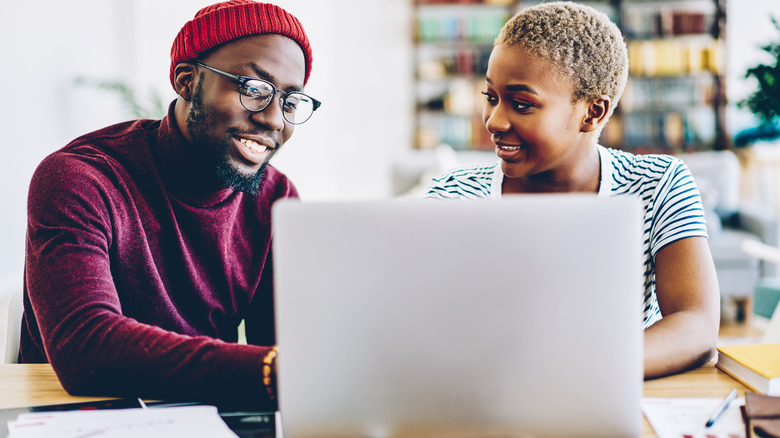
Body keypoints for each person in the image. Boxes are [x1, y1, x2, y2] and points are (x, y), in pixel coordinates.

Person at [19, 0, 320, 407]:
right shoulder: (81, 178)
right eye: (254, 89)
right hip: (76, 419)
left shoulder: (274, 199)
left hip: (205, 418)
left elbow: (287, 355)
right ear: (187, 81)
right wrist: (270, 370)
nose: (273, 120)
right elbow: (85, 349)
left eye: (289, 101)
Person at [425, 2, 720, 379]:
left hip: (607, 401)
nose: (495, 121)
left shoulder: (657, 184)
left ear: (592, 112)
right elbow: (423, 327)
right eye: (491, 97)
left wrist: (575, 372)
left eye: (522, 104)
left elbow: (695, 324)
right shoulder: (453, 195)